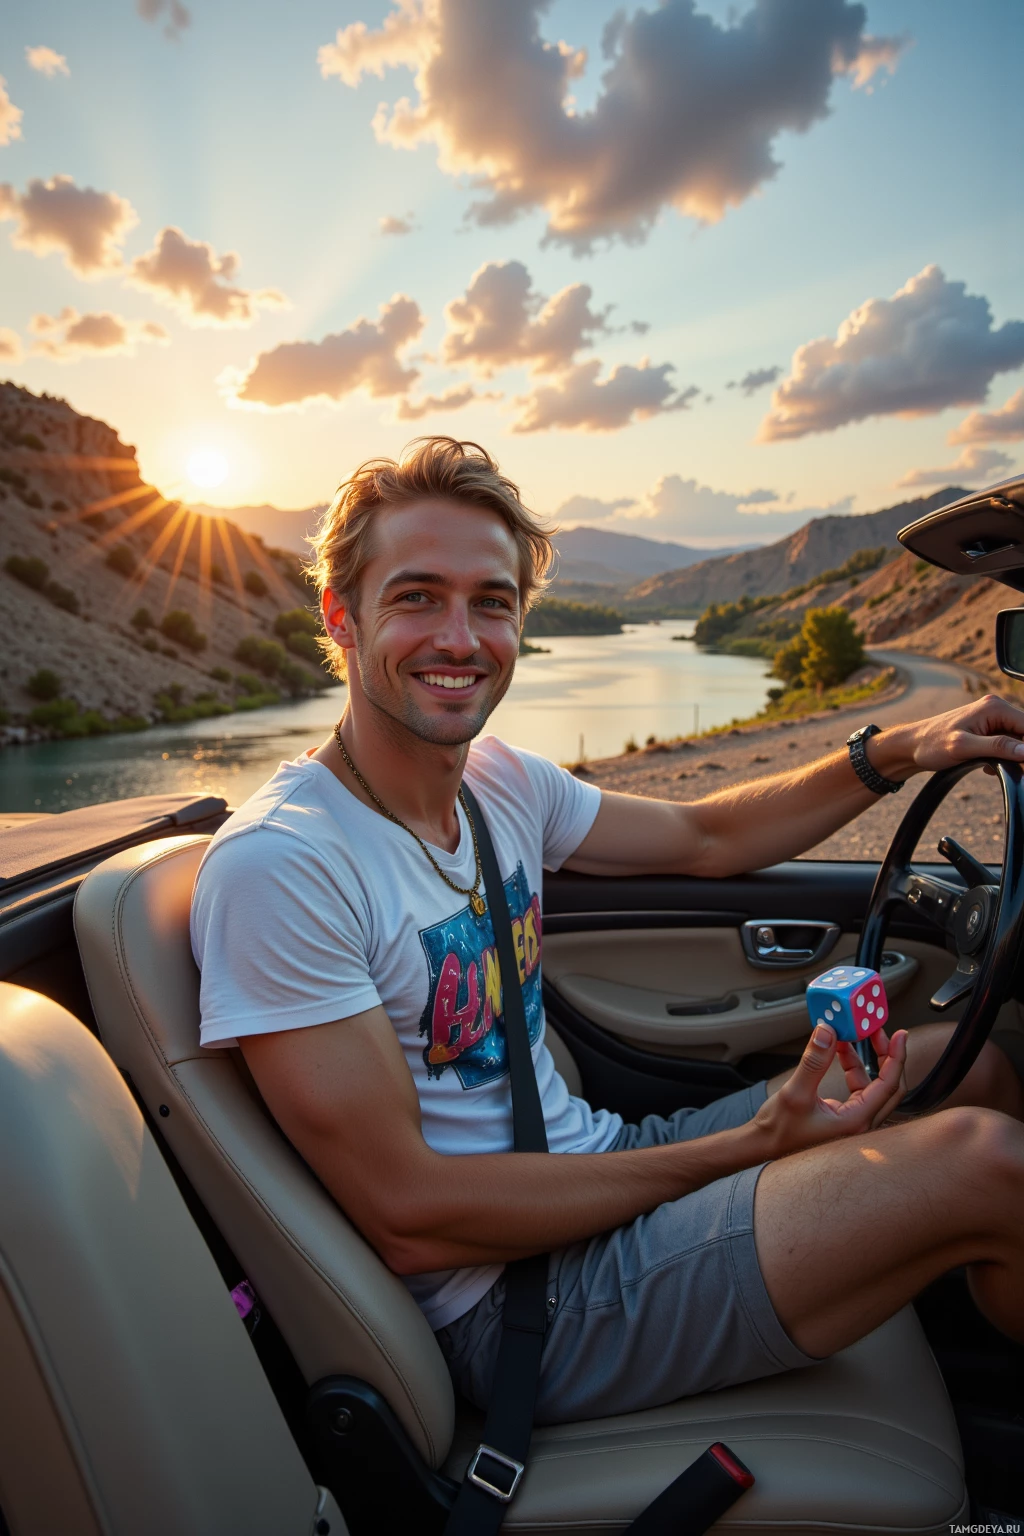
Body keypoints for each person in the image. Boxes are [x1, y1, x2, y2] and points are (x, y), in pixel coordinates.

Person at [191, 437, 1024, 1422]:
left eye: (490, 602)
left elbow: (708, 837)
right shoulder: (287, 864)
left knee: (956, 1065)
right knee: (984, 1162)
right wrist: (752, 1144)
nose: (459, 637)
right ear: (341, 616)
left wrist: (899, 747)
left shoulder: (501, 783)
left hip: (594, 1171)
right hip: (511, 1306)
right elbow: (411, 1218)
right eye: (416, 596)